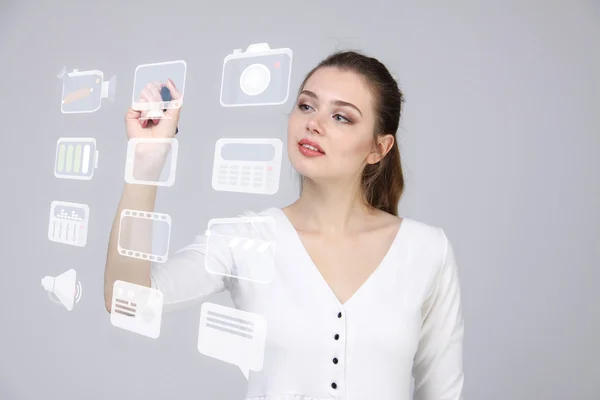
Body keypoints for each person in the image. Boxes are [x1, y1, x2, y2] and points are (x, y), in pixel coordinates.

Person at [104, 50, 465, 400]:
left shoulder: (426, 250)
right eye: (307, 106)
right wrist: (145, 163)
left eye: (342, 117)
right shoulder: (244, 239)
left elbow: (442, 391)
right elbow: (128, 302)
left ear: (379, 148)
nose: (314, 123)